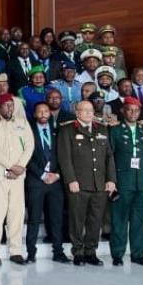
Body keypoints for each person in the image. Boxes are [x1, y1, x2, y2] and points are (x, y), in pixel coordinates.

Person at [57, 100, 117, 266]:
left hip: (99, 184)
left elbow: (109, 157)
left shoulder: (102, 129)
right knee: (77, 220)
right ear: (77, 112)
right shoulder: (67, 130)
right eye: (85, 111)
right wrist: (71, 180)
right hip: (78, 184)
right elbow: (65, 158)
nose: (89, 113)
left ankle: (91, 252)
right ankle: (78, 252)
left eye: (91, 110)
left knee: (95, 220)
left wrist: (111, 179)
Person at [0, 93, 33, 265]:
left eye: (11, 105)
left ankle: (16, 251)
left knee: (16, 214)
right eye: (5, 105)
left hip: (18, 176)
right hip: (0, 175)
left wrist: (20, 166)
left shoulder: (22, 122)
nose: (9, 108)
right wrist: (11, 167)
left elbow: (29, 146)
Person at [108, 97, 143, 267]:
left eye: (136, 110)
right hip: (122, 181)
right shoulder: (114, 130)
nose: (133, 113)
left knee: (138, 220)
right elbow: (110, 157)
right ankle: (118, 254)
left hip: (141, 182)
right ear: (123, 111)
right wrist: (111, 181)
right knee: (119, 220)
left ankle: (137, 254)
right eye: (129, 109)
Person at [25, 102, 65, 263]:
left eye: (46, 111)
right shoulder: (28, 131)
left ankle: (58, 252)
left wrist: (57, 174)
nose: (43, 114)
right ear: (34, 114)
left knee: (56, 218)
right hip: (36, 180)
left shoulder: (58, 131)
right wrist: (42, 175)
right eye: (39, 111)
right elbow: (26, 155)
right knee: (34, 218)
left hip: (55, 180)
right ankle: (31, 253)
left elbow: (65, 154)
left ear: (50, 114)